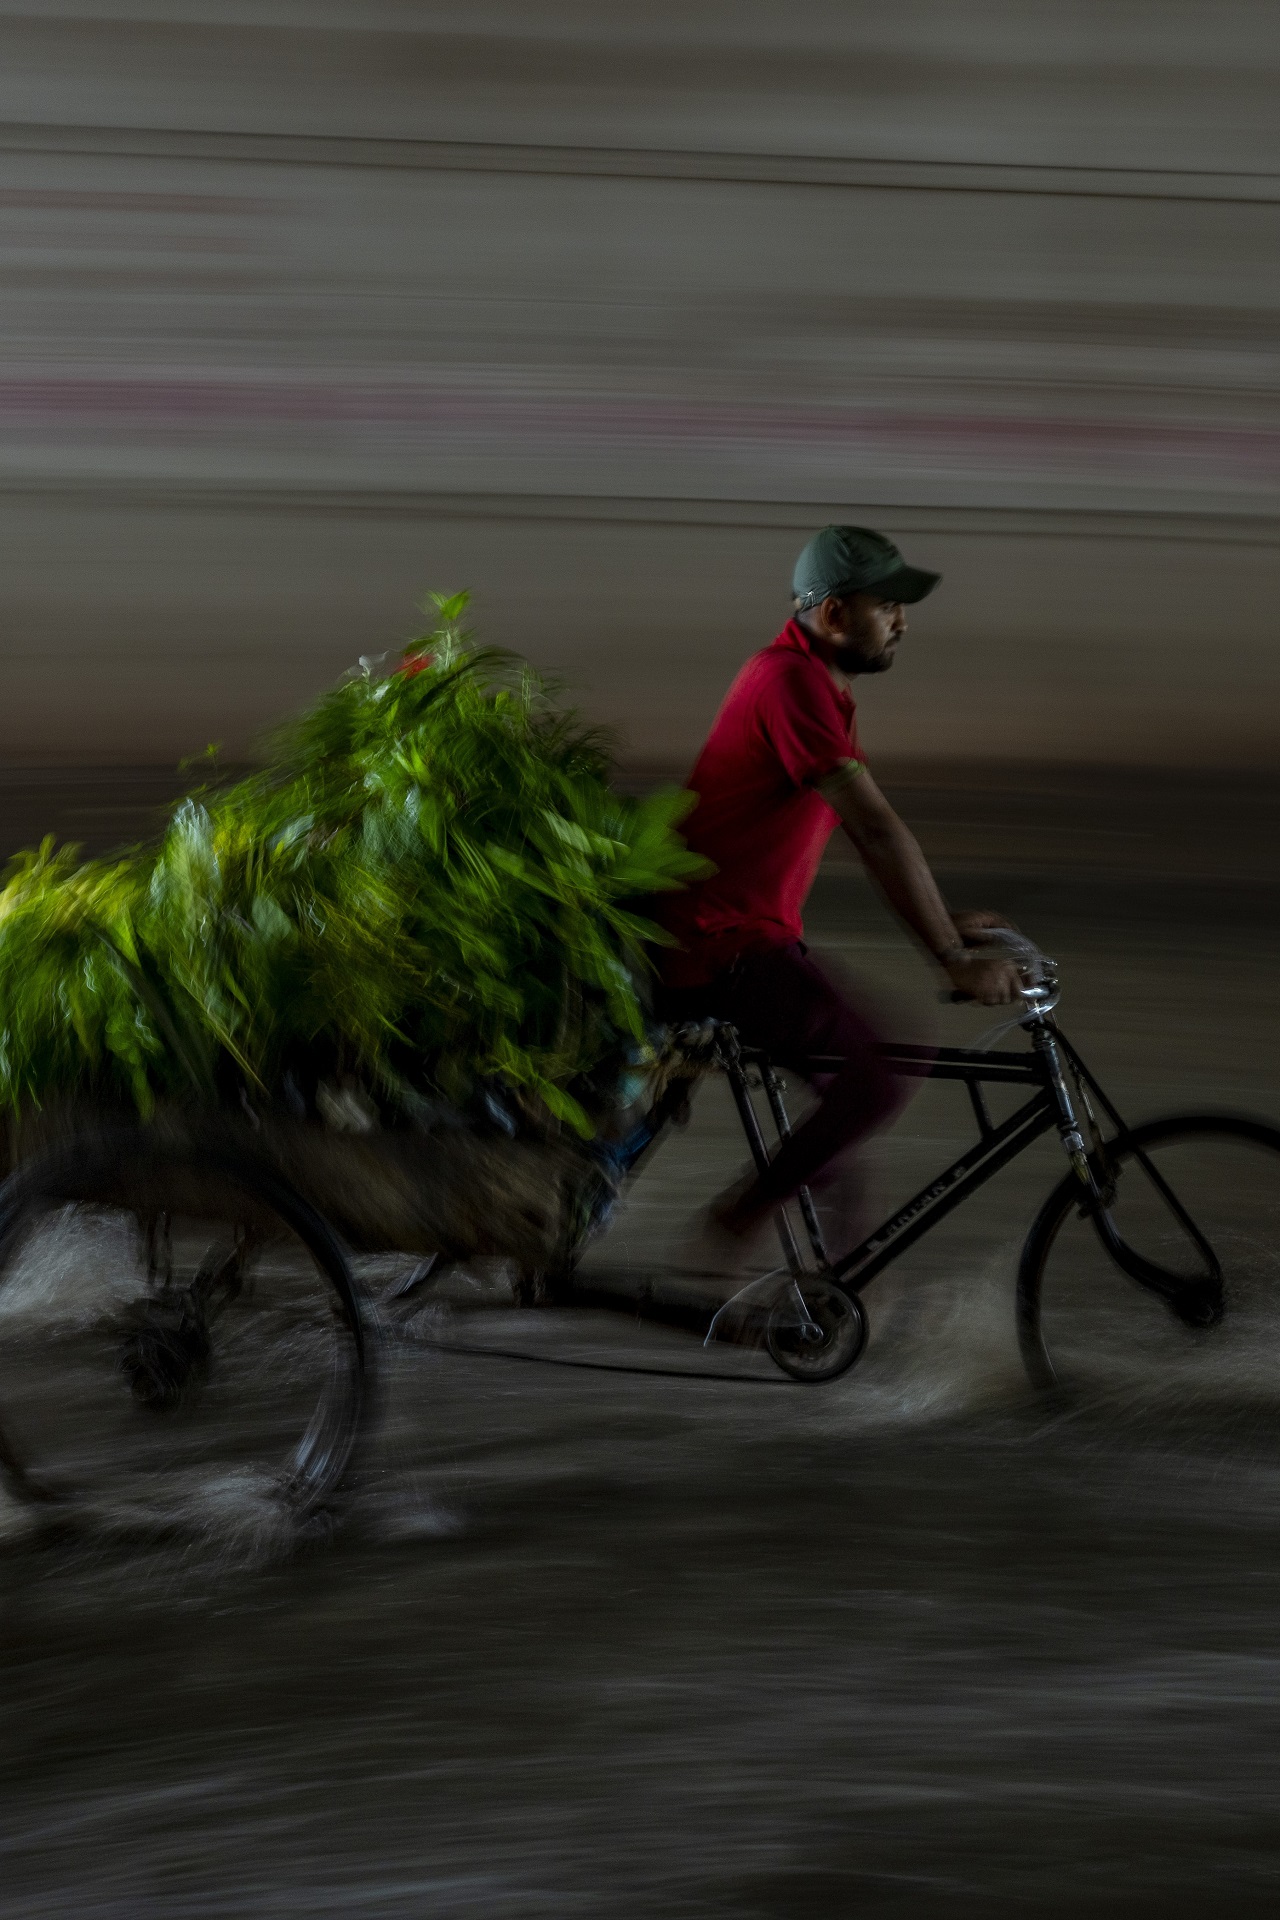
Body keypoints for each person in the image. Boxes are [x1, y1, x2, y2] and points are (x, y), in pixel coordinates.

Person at [657, 523, 1023, 1264]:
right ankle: (729, 1228)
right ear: (832, 615)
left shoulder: (812, 685)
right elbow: (879, 834)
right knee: (882, 1075)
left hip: (748, 938)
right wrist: (949, 955)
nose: (902, 622)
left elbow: (862, 843)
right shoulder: (788, 684)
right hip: (714, 949)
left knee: (857, 1099)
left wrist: (938, 917)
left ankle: (838, 1312)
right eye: (887, 605)